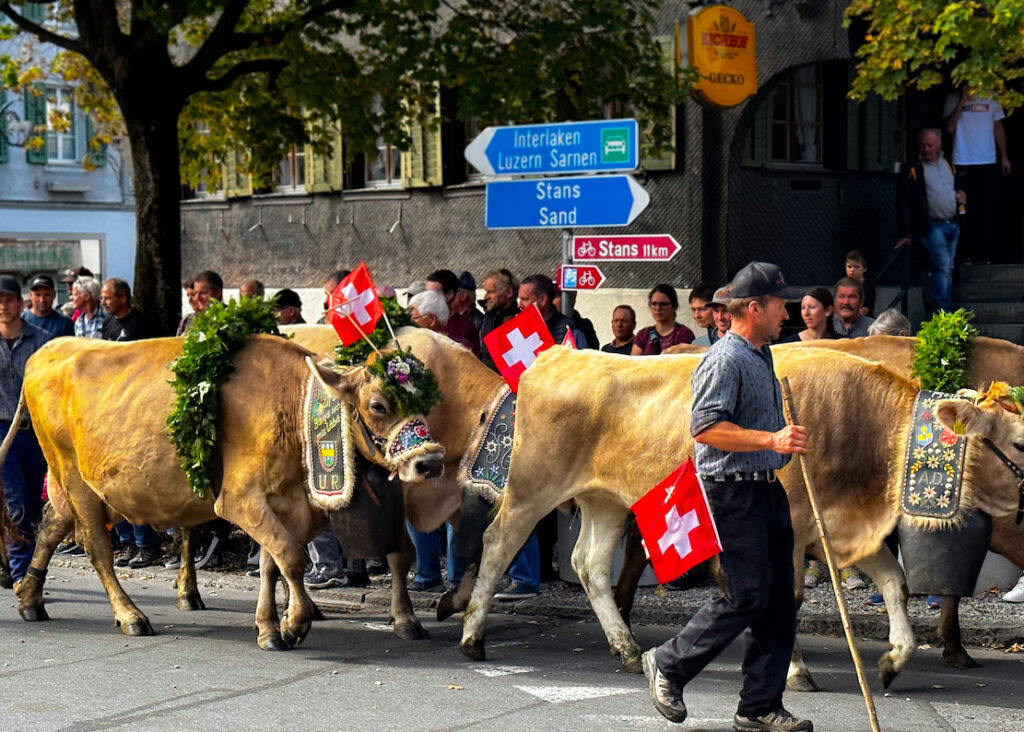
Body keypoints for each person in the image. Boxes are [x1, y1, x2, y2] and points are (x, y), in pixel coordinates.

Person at [642, 261, 812, 732]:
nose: (788, 311)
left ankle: (758, 706)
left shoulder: (763, 355)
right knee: (747, 594)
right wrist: (771, 441)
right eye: (780, 304)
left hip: (765, 490)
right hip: (730, 493)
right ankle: (669, 663)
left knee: (779, 602)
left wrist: (782, 443)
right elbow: (707, 429)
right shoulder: (724, 359)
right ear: (754, 308)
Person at [0, 276, 53, 590]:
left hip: (36, 431)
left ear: (21, 304)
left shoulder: (41, 339)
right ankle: (22, 576)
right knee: (17, 503)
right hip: (1, 431)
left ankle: (26, 567)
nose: (3, 306)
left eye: (8, 300)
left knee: (34, 505)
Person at [896, 128, 967, 313]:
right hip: (931, 224)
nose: (926, 149)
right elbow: (904, 199)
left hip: (952, 221)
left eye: (930, 145)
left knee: (948, 266)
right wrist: (905, 232)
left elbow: (954, 187)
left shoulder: (948, 163)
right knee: (942, 264)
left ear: (939, 145)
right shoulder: (914, 168)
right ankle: (942, 309)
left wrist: (960, 194)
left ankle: (944, 304)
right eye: (923, 145)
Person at [943, 88, 1011, 263]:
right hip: (962, 160)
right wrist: (962, 102)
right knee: (963, 209)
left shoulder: (993, 96)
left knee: (985, 208)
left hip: (987, 160)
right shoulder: (954, 97)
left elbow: (998, 128)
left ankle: (984, 254)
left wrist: (1004, 157)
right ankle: (965, 253)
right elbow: (949, 128)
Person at [518, 274, 586, 347]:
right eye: (520, 299)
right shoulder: (518, 331)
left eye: (525, 299)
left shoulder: (570, 333)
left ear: (543, 299)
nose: (520, 305)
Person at [426, 269, 480, 357]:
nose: (426, 298)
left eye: (433, 294)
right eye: (425, 293)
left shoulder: (465, 327)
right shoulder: (421, 320)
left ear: (449, 295)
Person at [632, 284, 695, 355]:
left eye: (663, 304)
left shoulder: (684, 334)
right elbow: (634, 363)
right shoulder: (643, 335)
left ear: (674, 306)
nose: (658, 308)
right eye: (654, 304)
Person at [478, 268, 520, 372]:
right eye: (486, 291)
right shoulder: (487, 319)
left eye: (491, 292)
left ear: (509, 292)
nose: (486, 297)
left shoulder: (520, 321)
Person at [844, 250, 876, 318]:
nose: (852, 270)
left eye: (856, 267)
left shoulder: (868, 287)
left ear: (864, 269)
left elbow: (864, 310)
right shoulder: (842, 286)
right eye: (849, 266)